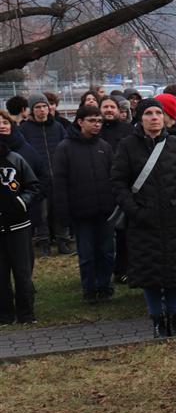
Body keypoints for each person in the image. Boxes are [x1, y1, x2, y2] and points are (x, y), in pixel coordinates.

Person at [109, 98, 176, 338]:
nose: (155, 117)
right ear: (140, 117)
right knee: (150, 275)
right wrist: (134, 210)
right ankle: (158, 322)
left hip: (174, 220)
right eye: (149, 113)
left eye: (158, 112)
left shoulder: (175, 144)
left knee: (175, 273)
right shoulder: (127, 146)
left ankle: (174, 319)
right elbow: (118, 182)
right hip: (143, 221)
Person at [51, 105, 117, 302]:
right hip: (81, 212)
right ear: (80, 122)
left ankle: (105, 286)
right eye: (92, 121)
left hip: (105, 210)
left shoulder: (104, 147)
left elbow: (113, 177)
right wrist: (64, 213)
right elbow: (60, 184)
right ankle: (89, 289)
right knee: (87, 254)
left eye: (99, 121)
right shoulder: (65, 148)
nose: (97, 125)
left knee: (106, 252)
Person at [17, 94, 72, 256]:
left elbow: (66, 147)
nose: (42, 110)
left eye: (44, 106)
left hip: (59, 176)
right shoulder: (24, 130)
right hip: (38, 178)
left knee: (60, 210)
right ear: (31, 110)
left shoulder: (57, 127)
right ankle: (43, 242)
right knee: (41, 212)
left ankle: (63, 240)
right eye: (37, 107)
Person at [0, 114, 42, 324]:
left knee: (22, 271)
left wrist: (21, 203)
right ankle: (5, 314)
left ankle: (26, 314)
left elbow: (33, 185)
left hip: (19, 225)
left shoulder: (16, 158)